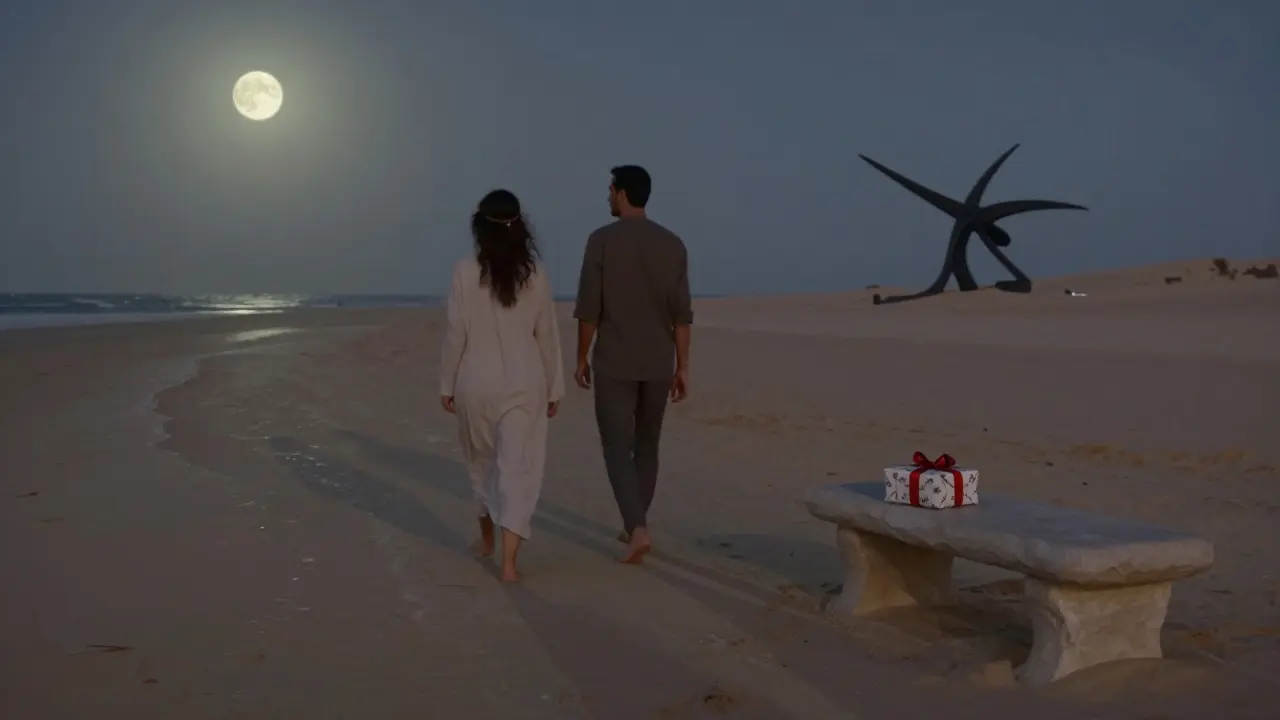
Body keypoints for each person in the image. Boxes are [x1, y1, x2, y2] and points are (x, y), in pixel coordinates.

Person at [439, 189, 565, 583]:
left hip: (475, 382)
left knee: (482, 465)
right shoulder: (536, 275)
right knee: (516, 470)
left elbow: (455, 334)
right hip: (526, 382)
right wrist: (555, 386)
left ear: (480, 226)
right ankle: (509, 563)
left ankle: (488, 542)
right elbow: (547, 334)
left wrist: (447, 383)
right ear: (519, 227)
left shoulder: (464, 271)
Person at [573, 165, 693, 564]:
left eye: (610, 189)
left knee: (615, 448)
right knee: (647, 446)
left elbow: (589, 308)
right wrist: (683, 366)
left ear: (623, 194)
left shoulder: (601, 241)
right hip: (658, 362)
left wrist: (581, 356)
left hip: (615, 361)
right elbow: (682, 314)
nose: (607, 196)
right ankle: (635, 522)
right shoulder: (673, 244)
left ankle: (637, 528)